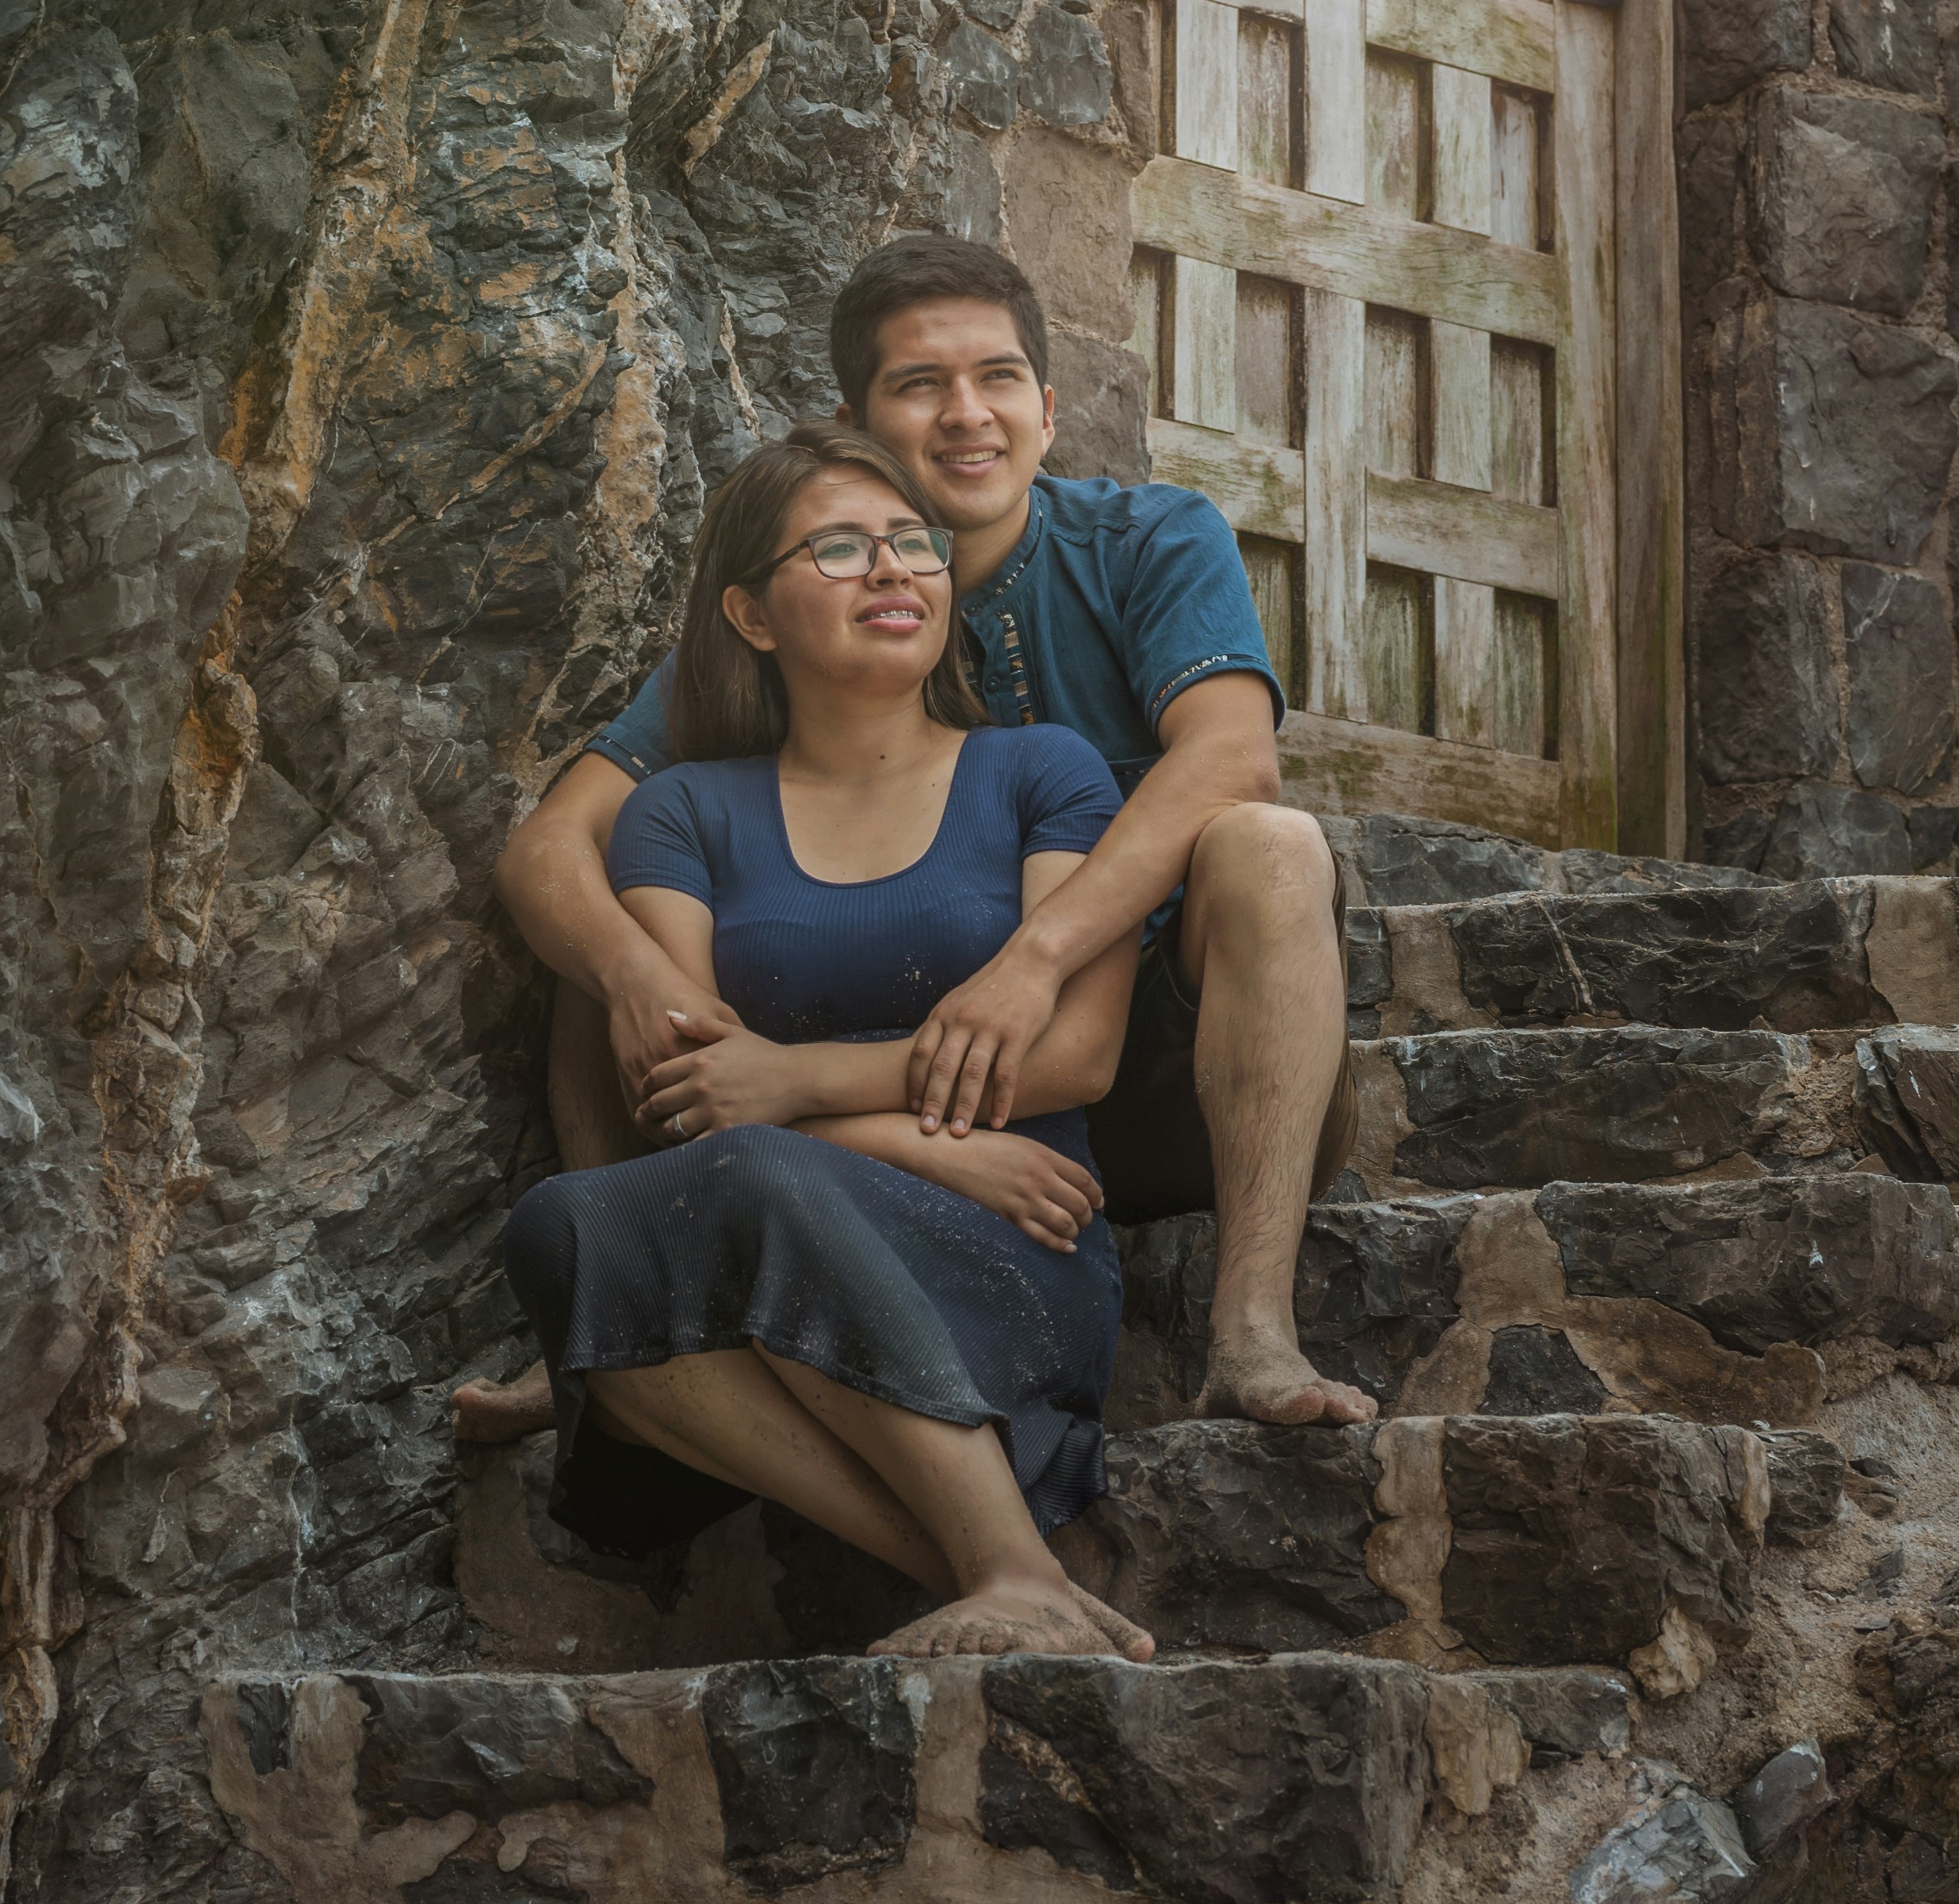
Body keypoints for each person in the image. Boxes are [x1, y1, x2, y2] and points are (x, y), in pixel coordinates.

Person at [470, 229, 1373, 1443]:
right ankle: (608, 1310)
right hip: (878, 1104)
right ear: (855, 425)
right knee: (609, 921)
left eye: (999, 378)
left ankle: (1254, 1328)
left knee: (1271, 845)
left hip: (1156, 1065)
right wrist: (641, 981)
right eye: (919, 385)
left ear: (1048, 410)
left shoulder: (1151, 540)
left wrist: (1034, 962)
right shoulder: (804, 611)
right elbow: (547, 848)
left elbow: (1231, 757)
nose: (967, 415)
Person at [499, 420, 1155, 1661]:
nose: (894, 568)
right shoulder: (682, 812)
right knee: (562, 1230)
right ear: (752, 615)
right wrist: (925, 1143)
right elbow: (694, 1095)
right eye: (842, 548)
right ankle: (1001, 1570)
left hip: (1012, 1240)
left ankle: (1010, 1568)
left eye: (914, 542)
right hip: (868, 1197)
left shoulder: (1043, 772)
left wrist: (796, 1087)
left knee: (742, 1176)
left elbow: (1074, 1058)